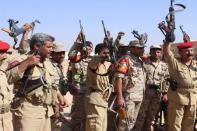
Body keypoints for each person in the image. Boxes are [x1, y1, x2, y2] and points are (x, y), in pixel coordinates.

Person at [6, 33, 57, 131]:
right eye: (48, 47)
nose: (52, 49)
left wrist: (56, 101)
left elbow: (51, 85)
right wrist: (26, 63)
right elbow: (8, 77)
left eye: (52, 47)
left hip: (45, 111)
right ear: (37, 46)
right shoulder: (22, 59)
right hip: (28, 112)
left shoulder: (47, 63)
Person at [163, 40, 197, 131]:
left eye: (191, 50)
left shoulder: (195, 66)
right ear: (180, 52)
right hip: (178, 98)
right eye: (186, 51)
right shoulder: (175, 64)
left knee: (189, 125)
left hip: (193, 99)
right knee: (175, 125)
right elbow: (167, 53)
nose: (189, 53)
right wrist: (168, 40)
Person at [134, 45, 169, 131]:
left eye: (158, 52)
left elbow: (166, 80)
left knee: (152, 116)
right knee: (141, 115)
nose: (156, 54)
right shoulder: (144, 64)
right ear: (150, 53)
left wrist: (165, 93)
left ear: (161, 53)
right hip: (145, 92)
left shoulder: (164, 65)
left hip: (158, 93)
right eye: (153, 52)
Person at [115, 39, 146, 130]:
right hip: (128, 97)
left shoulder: (139, 61)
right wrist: (120, 97)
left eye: (143, 48)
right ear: (132, 48)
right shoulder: (126, 60)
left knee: (131, 122)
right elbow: (119, 78)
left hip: (139, 96)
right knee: (124, 123)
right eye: (139, 48)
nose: (143, 50)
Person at [67, 31, 93, 131]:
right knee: (76, 114)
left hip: (89, 91)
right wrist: (77, 43)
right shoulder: (76, 59)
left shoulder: (93, 60)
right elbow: (71, 56)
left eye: (91, 48)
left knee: (87, 114)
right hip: (77, 90)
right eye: (87, 47)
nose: (89, 50)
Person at [85, 43, 112, 131]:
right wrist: (100, 56)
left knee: (102, 127)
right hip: (95, 100)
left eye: (108, 53)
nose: (107, 55)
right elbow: (95, 60)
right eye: (104, 53)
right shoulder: (94, 62)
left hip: (102, 100)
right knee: (95, 127)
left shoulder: (103, 65)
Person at [50, 42, 70, 131]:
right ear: (52, 53)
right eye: (59, 53)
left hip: (58, 100)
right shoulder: (49, 65)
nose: (62, 55)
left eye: (63, 53)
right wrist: (56, 102)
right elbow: (51, 85)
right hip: (52, 102)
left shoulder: (59, 65)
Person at [0, 40, 14, 131]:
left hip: (6, 118)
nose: (5, 56)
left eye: (5, 52)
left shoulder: (4, 71)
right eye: (1, 53)